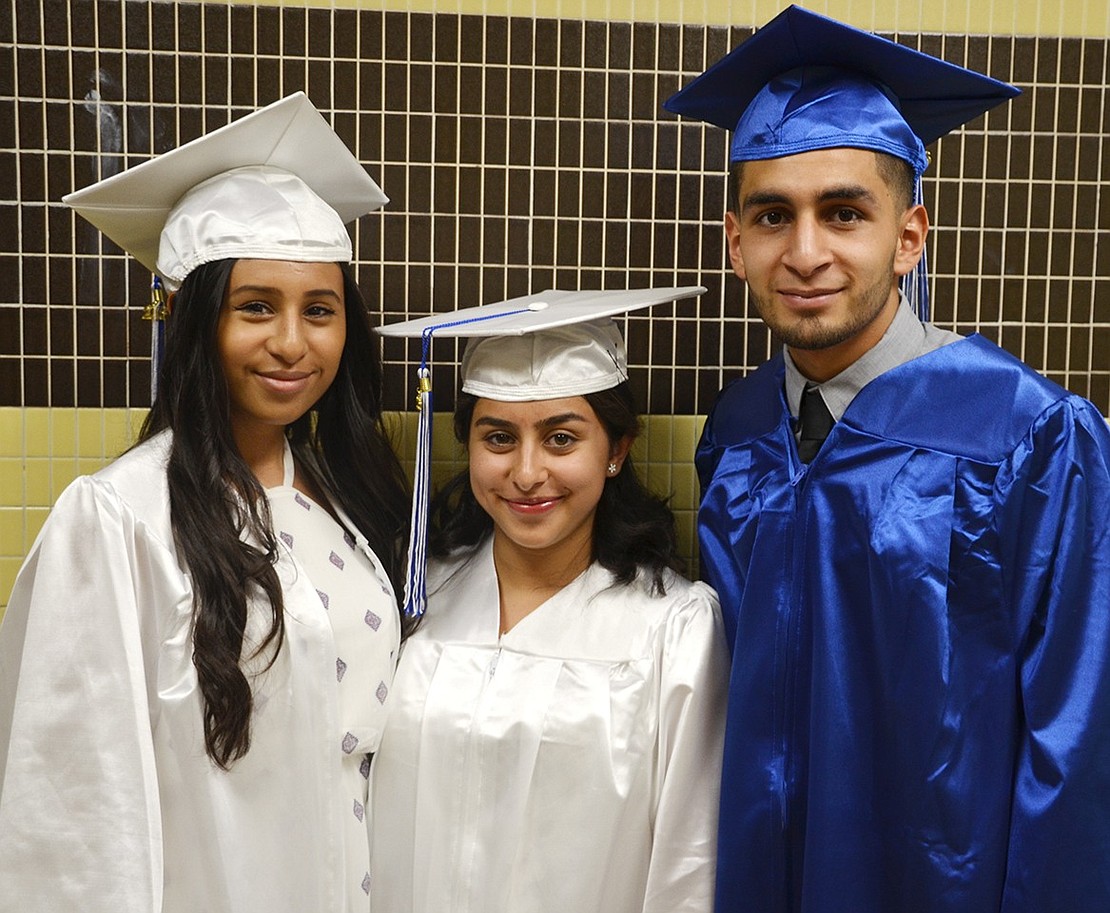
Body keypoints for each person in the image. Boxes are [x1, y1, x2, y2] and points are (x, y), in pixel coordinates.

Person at [665, 6, 1110, 912]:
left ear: (908, 236)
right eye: (771, 216)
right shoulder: (740, 429)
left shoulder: (1029, 435)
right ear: (733, 242)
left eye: (843, 213)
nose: (806, 252)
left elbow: (1077, 738)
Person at [0, 93, 410, 913]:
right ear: (192, 322)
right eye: (255, 306)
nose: (293, 343)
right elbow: (76, 813)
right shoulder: (118, 522)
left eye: (319, 311)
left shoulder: (347, 502)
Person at [369, 289, 730, 912]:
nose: (528, 472)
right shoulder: (410, 599)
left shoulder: (674, 627)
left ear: (616, 450)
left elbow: (688, 858)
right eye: (499, 438)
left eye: (561, 439)